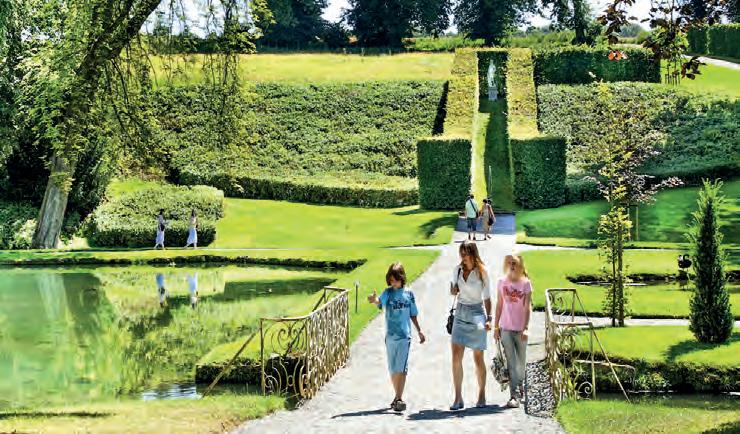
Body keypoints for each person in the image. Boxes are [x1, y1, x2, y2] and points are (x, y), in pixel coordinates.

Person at [367, 262, 425, 412]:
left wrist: (419, 331)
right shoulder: (388, 293)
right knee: (393, 368)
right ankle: (396, 398)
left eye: (396, 280)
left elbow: (413, 314)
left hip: (404, 336)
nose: (393, 283)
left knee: (402, 367)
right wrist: (374, 300)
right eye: (391, 280)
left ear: (402, 278)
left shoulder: (409, 294)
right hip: (390, 336)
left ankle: (399, 398)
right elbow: (380, 301)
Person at [449, 241, 493, 410]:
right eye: (461, 253)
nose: (462, 257)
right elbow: (453, 289)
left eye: (465, 253)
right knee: (456, 357)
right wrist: (453, 290)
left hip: (477, 314)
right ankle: (458, 398)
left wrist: (489, 318)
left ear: (473, 254)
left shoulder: (482, 272)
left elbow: (487, 297)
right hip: (460, 313)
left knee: (478, 357)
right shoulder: (457, 270)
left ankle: (481, 394)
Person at [494, 254, 532, 409]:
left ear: (520, 266)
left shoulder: (526, 284)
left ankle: (521, 387)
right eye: (509, 263)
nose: (512, 265)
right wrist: (496, 327)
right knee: (511, 362)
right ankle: (514, 395)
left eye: (515, 263)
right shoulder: (501, 282)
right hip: (506, 328)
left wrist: (526, 328)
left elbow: (527, 307)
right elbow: (499, 305)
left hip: (520, 329)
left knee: (521, 363)